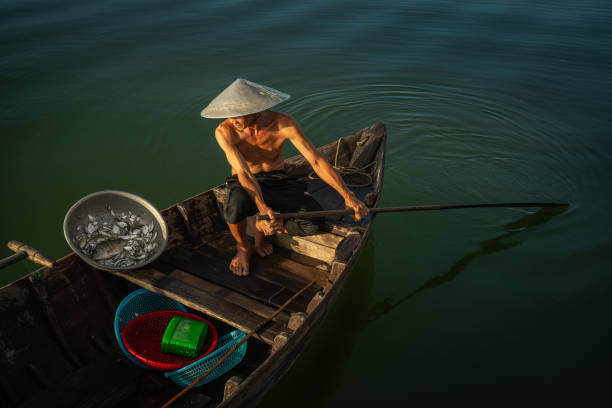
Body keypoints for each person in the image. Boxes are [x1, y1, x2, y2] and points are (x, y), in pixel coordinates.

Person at [201, 78, 368, 276]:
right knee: (234, 205)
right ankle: (243, 246)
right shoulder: (225, 131)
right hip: (244, 180)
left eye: (239, 115)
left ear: (257, 110)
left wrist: (348, 195)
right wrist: (262, 208)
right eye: (230, 115)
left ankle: (271, 226)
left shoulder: (283, 123)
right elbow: (243, 172)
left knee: (315, 220)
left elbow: (315, 160)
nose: (233, 120)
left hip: (277, 178)